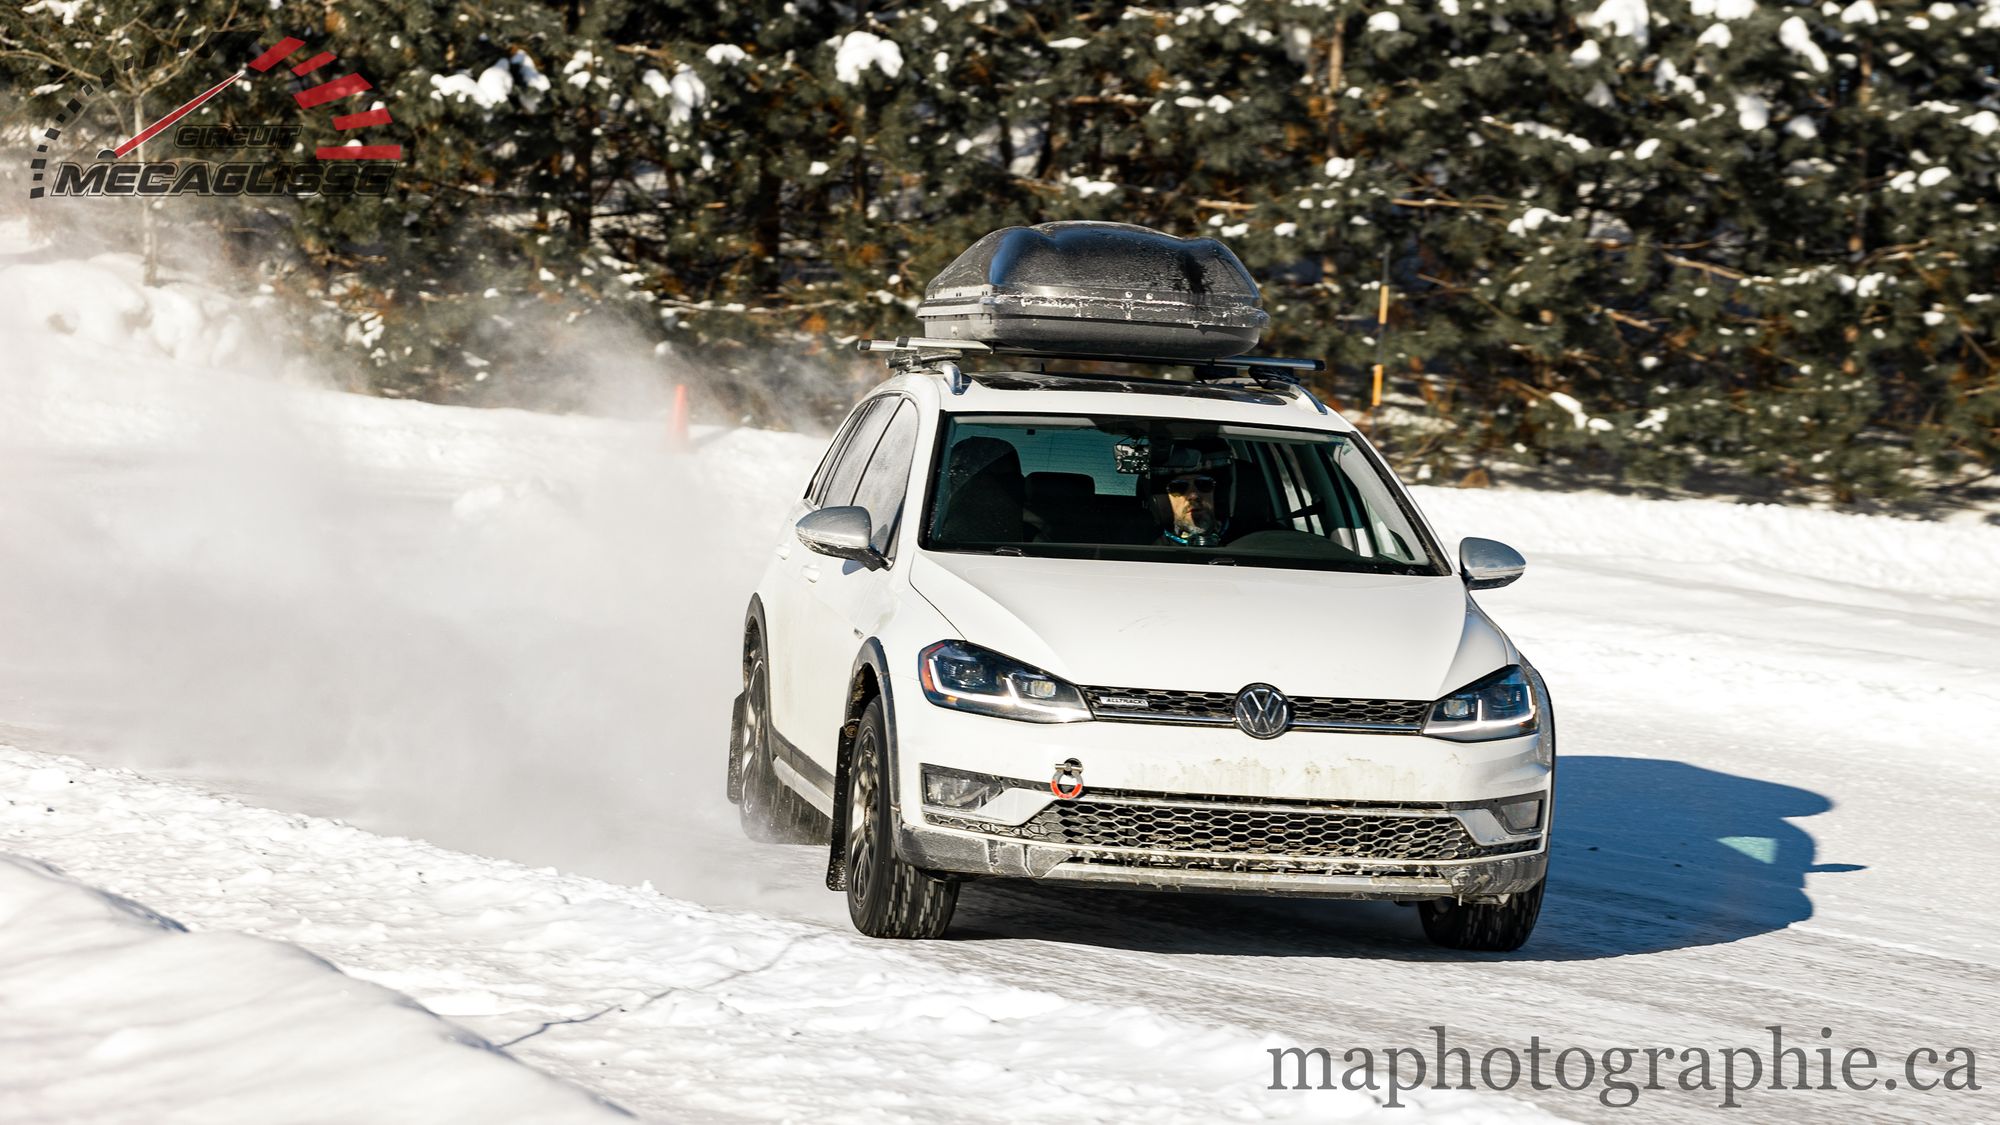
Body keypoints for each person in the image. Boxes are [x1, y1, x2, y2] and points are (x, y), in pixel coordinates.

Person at [1148, 439, 1233, 547]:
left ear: (1219, 494)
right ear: (1163, 500)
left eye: (1203, 484)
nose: (1193, 495)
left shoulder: (1252, 544)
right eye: (1178, 487)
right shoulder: (1148, 556)